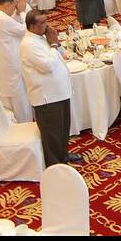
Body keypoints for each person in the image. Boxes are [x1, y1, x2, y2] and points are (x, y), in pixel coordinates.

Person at [19, 10, 82, 166]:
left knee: (62, 129)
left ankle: (63, 155)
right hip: (46, 97)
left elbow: (60, 55)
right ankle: (55, 164)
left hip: (59, 93)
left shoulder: (41, 38)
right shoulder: (28, 44)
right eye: (43, 23)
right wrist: (53, 44)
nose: (47, 25)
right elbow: (47, 66)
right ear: (32, 26)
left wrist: (56, 44)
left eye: (47, 21)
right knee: (52, 133)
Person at [0, 0, 34, 122]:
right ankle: (25, 125)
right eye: (14, 6)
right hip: (10, 65)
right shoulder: (2, 19)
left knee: (7, 98)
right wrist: (22, 12)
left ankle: (12, 122)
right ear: (7, 5)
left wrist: (17, 13)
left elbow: (11, 25)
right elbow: (25, 30)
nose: (15, 9)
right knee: (20, 100)